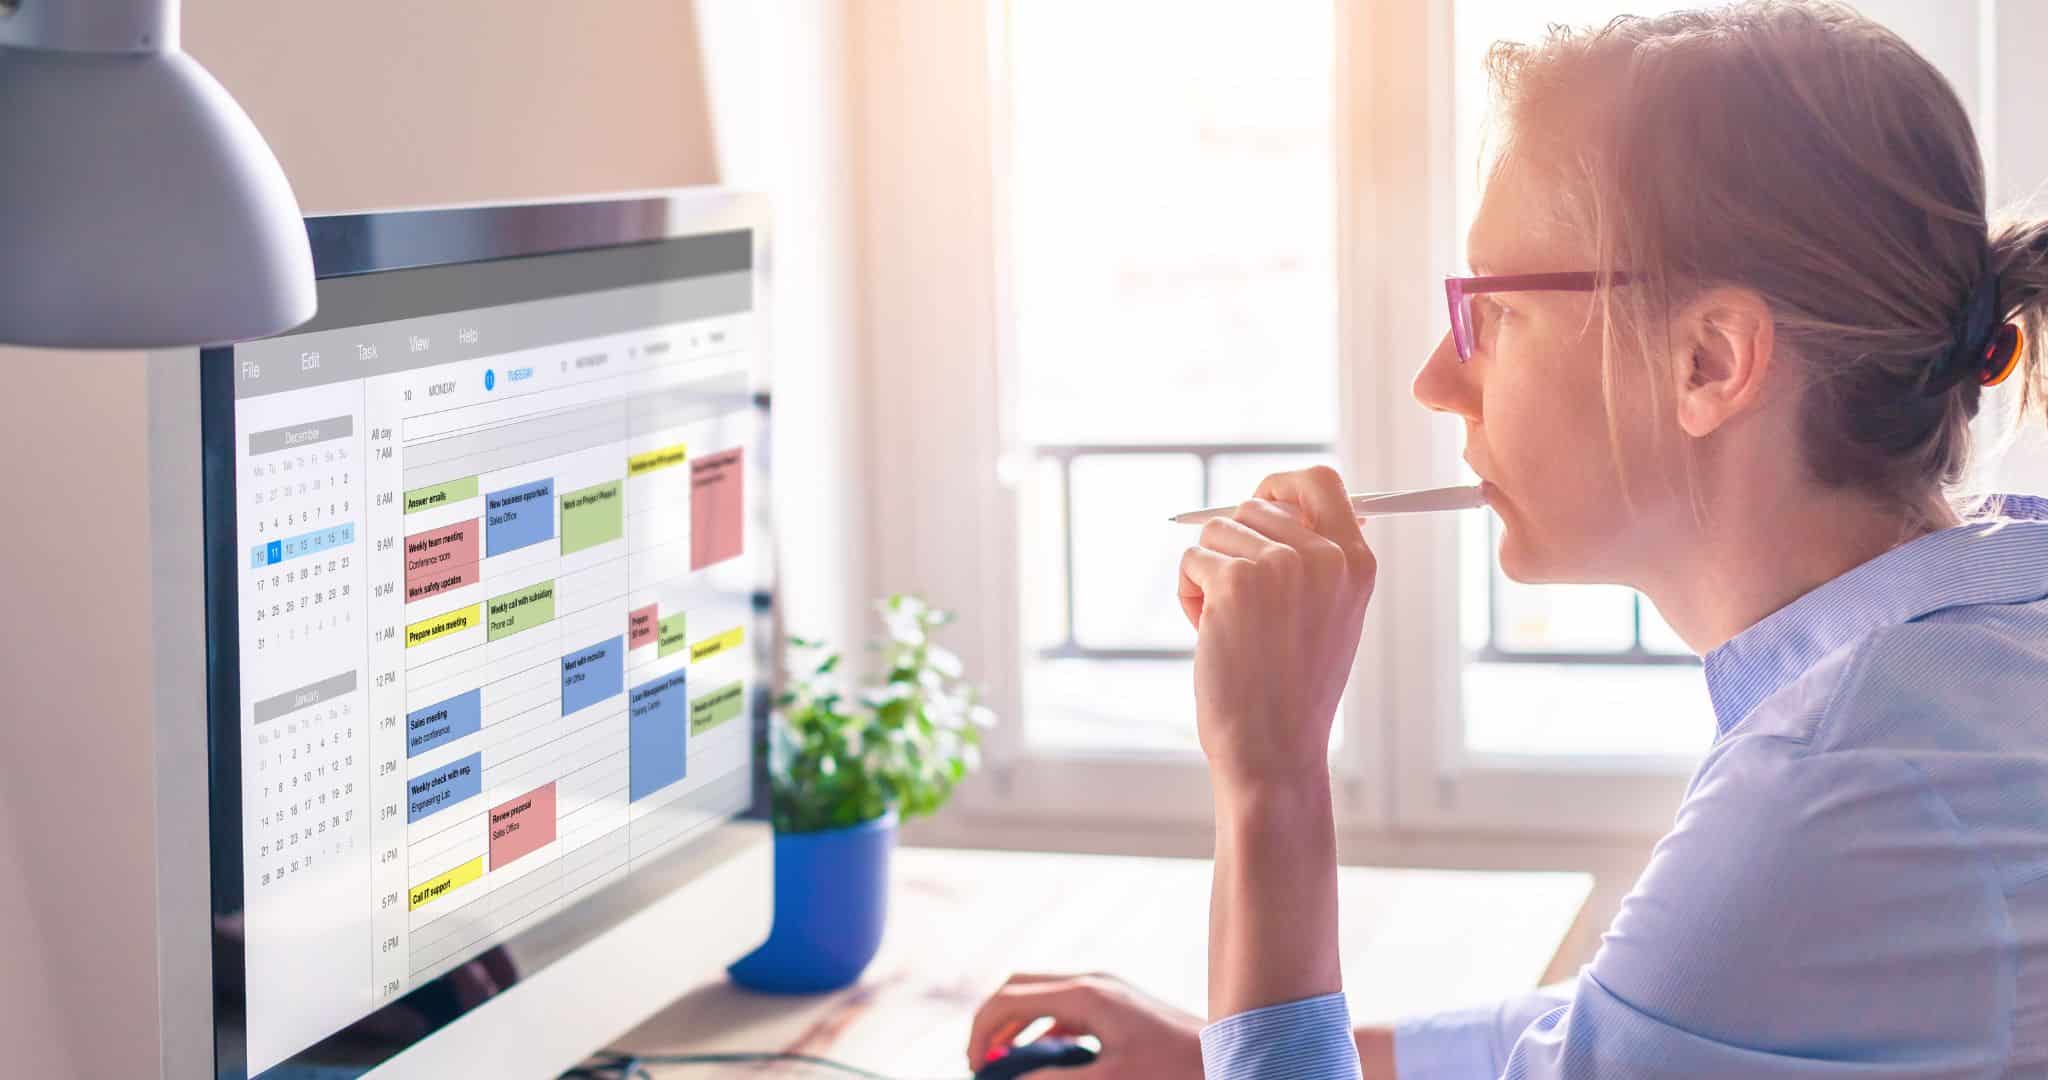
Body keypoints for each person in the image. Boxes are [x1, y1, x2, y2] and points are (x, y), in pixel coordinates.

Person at [966, 1, 2048, 1076]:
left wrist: (1271, 779)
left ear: (1708, 361)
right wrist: (1215, 1054)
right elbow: (1620, 1023)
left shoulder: (1831, 790)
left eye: (1492, 311)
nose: (1436, 382)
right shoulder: (1973, 647)